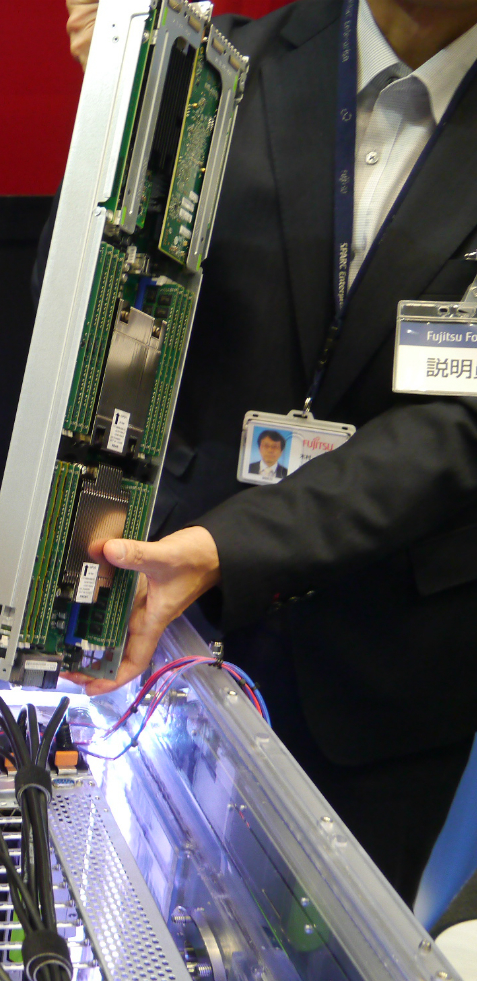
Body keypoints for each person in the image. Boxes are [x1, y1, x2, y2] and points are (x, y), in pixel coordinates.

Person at [48, 0, 477, 902]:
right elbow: (118, 298)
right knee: (125, 918)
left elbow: (458, 430)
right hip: (167, 622)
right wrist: (125, 98)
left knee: (341, 968)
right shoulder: (220, 69)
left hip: (385, 672)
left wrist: (227, 549)